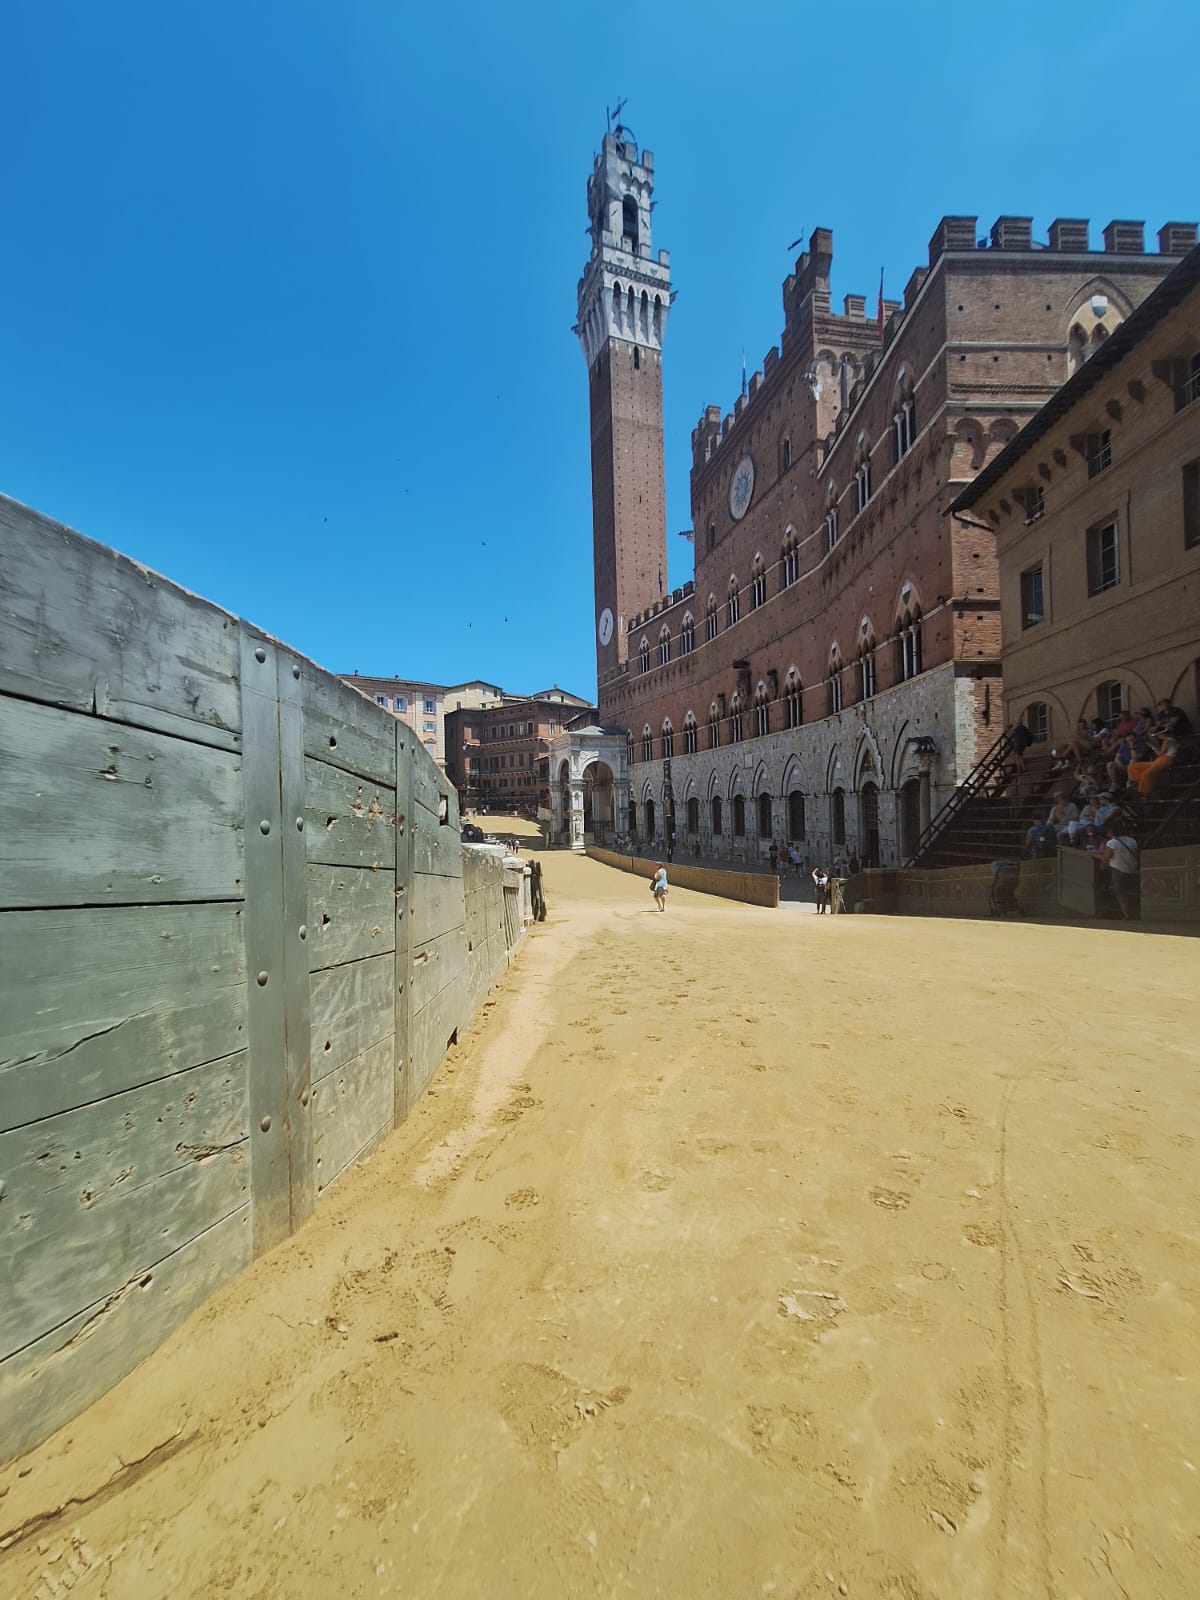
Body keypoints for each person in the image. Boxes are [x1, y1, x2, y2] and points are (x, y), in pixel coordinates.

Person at [1098, 821, 1139, 920]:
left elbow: (1106, 858)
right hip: (1131, 868)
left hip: (1118, 869)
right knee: (1127, 890)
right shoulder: (1131, 840)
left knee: (1121, 892)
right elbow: (1136, 854)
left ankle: (1126, 915)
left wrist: (1094, 855)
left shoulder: (1112, 842)